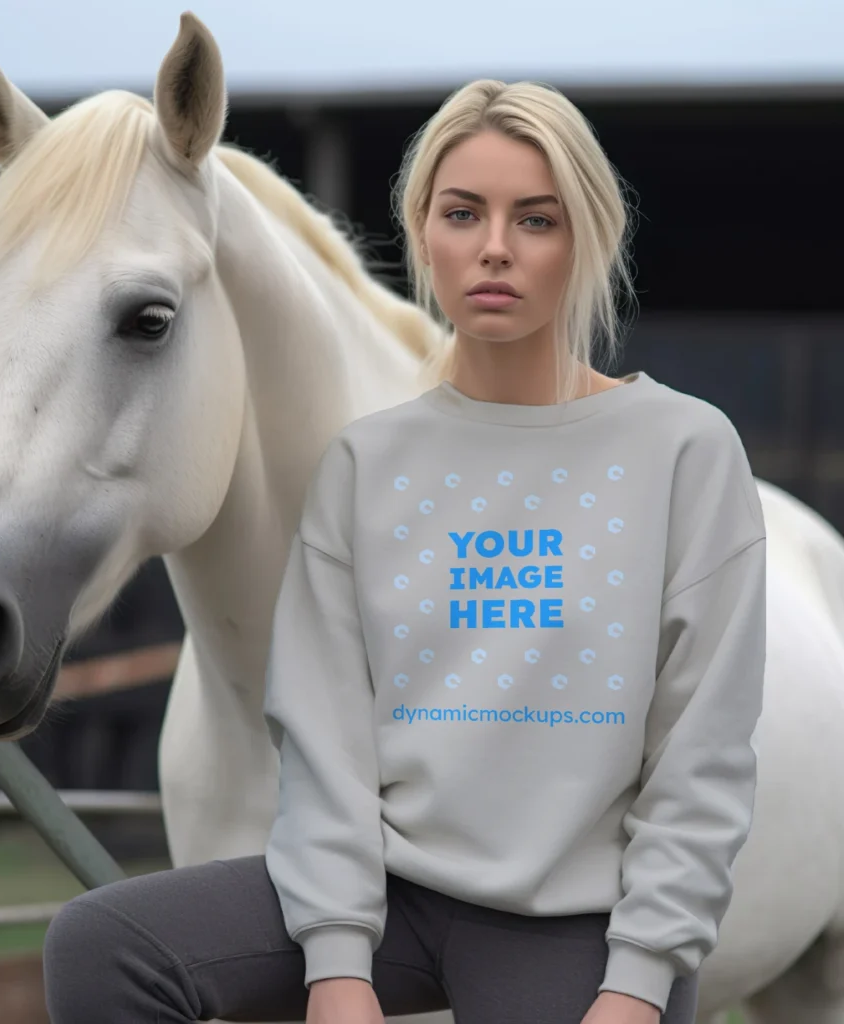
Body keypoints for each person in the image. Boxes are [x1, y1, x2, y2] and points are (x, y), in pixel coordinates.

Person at [42, 78, 765, 1024]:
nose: (495, 247)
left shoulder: (685, 449)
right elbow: (326, 736)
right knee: (100, 949)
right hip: (396, 900)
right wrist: (339, 968)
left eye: (535, 219)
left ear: (586, 236)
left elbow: (700, 757)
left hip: (576, 924)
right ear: (423, 228)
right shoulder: (366, 462)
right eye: (463, 213)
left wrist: (637, 985)